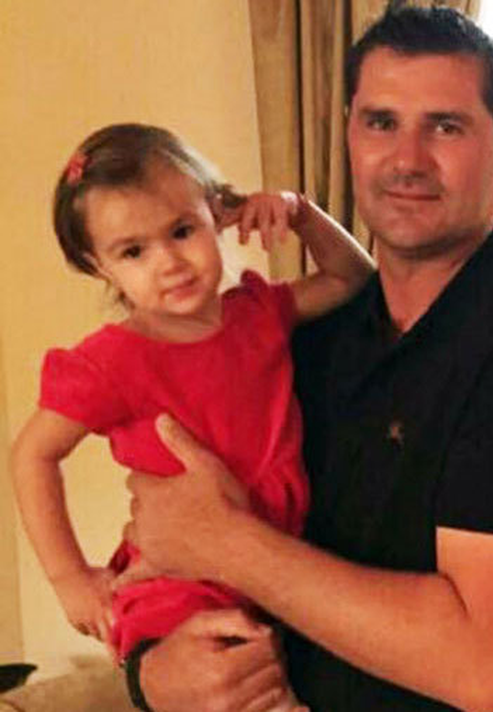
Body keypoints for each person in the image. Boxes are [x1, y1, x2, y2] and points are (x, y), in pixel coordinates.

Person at [120, 5, 493, 712]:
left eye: (445, 126)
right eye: (380, 123)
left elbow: (485, 664)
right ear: (348, 132)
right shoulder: (302, 334)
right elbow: (168, 535)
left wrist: (227, 544)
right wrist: (154, 673)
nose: (407, 159)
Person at [9, 123, 373, 710]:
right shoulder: (111, 361)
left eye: (182, 231)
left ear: (218, 215)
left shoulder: (258, 312)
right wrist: (69, 577)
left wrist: (298, 213)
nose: (170, 262)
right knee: (241, 681)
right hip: (181, 580)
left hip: (280, 554)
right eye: (133, 251)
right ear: (99, 265)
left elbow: (353, 277)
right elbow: (32, 453)